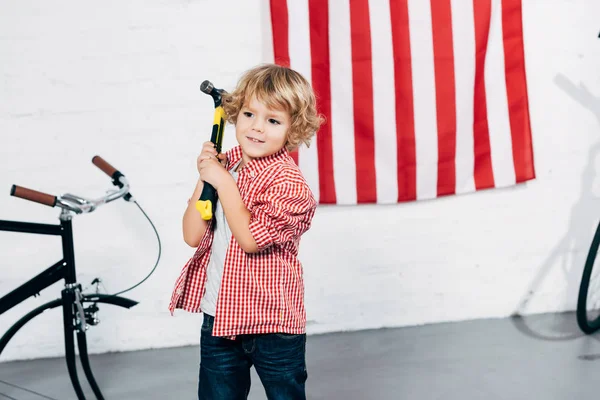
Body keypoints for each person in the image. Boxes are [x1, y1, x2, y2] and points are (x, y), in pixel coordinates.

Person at [169, 63, 324, 400]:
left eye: (273, 120)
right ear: (235, 114)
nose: (256, 128)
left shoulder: (290, 185)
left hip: (272, 322)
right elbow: (191, 235)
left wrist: (222, 181)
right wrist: (206, 176)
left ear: (292, 130)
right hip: (220, 314)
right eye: (250, 114)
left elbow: (251, 240)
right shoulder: (231, 165)